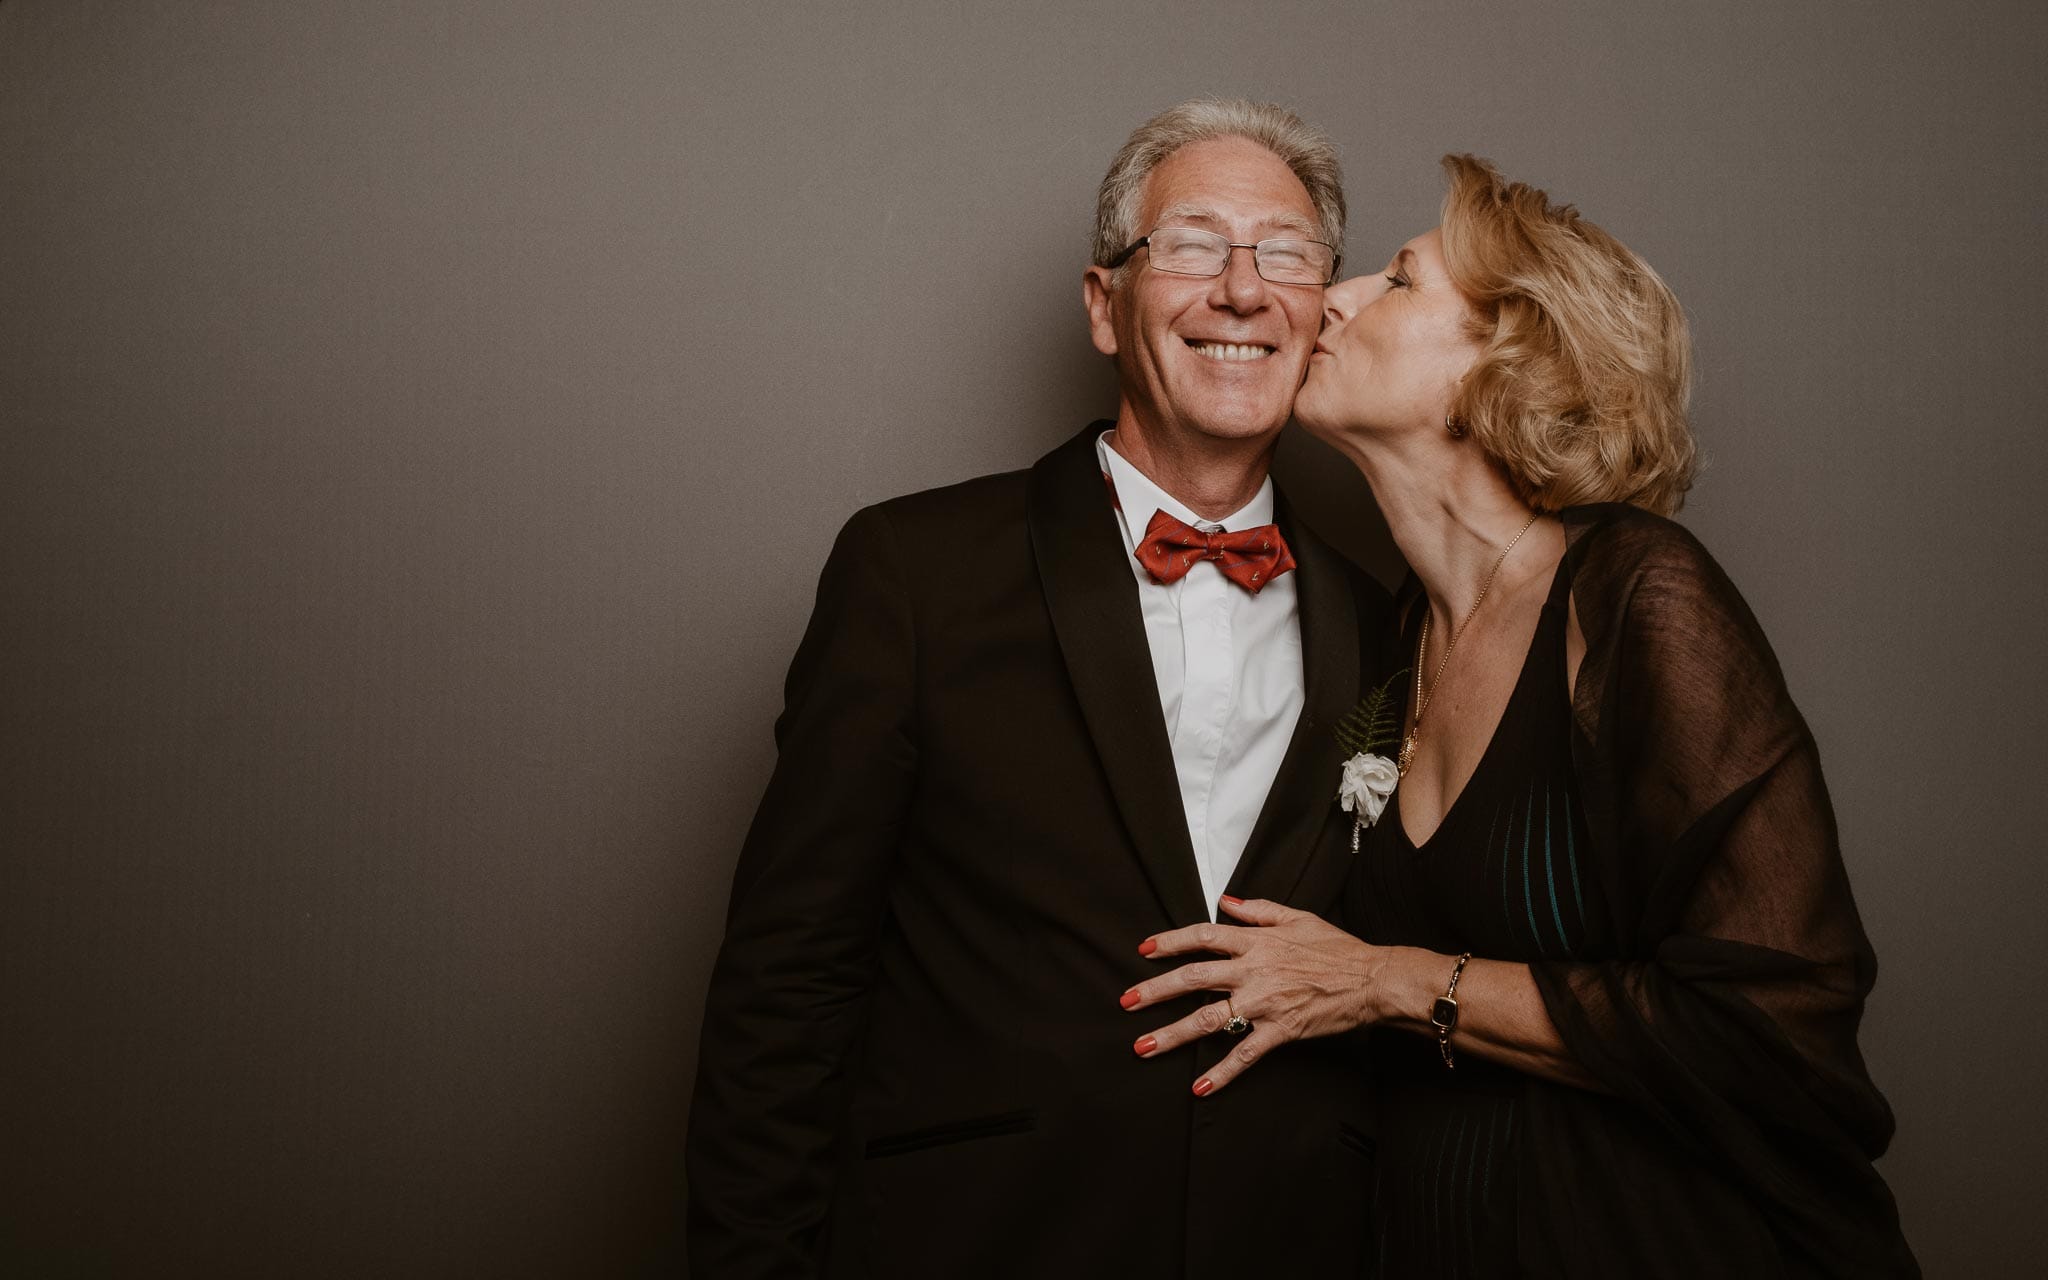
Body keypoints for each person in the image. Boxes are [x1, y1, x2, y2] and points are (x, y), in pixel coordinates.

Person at [1121, 155, 1918, 1277]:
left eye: (1395, 280)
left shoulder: (1641, 598)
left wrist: (1381, 979)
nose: (1331, 299)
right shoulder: (1383, 646)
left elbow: (1771, 1025)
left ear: (1504, 357)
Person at [686, 98, 1394, 1278]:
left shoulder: (1388, 619)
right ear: (1102, 305)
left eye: (1285, 253)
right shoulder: (913, 572)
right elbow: (786, 979)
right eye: (1190, 244)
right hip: (975, 1235)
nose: (1239, 288)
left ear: (1322, 310)